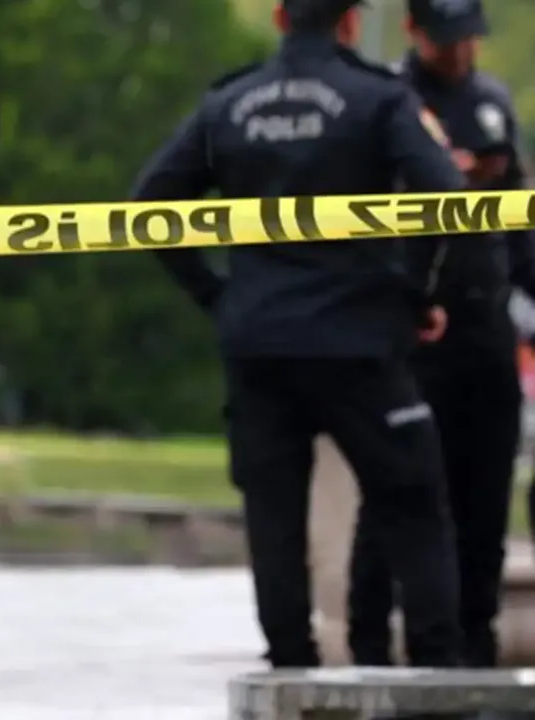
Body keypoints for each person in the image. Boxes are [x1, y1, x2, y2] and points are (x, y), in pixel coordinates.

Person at [130, 0, 468, 669]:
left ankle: (289, 669)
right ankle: (439, 674)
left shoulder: (230, 103)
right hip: (357, 341)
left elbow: (149, 204)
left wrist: (217, 296)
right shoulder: (377, 98)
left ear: (281, 18)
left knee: (273, 516)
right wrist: (414, 293)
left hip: (259, 343)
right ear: (350, 22)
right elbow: (447, 193)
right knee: (412, 499)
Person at [347, 0, 535, 668]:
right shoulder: (389, 101)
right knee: (395, 494)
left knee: (486, 501)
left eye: (467, 40)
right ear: (415, 32)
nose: (459, 53)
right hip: (416, 331)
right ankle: (370, 648)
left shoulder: (491, 102)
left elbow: (516, 222)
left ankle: (476, 652)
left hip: (486, 327)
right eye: (445, 41)